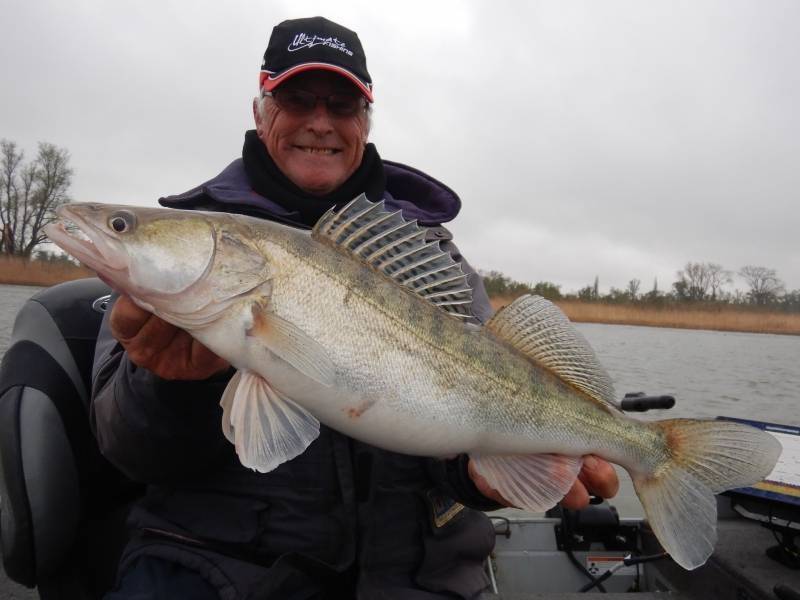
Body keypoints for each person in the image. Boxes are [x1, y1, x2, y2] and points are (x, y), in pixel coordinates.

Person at [92, 16, 619, 600]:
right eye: (296, 99)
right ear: (260, 108)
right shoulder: (169, 271)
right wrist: (173, 386)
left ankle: (648, 445)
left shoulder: (428, 253)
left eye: (343, 105)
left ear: (366, 122)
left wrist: (477, 477)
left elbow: (447, 423)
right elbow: (127, 451)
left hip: (413, 579)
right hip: (218, 571)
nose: (320, 121)